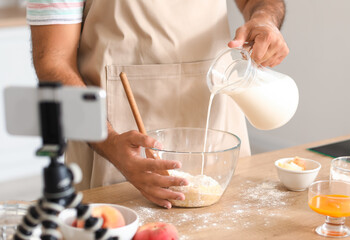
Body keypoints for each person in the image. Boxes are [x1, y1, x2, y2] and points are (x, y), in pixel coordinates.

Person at [27, 0, 288, 209]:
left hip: (216, 126)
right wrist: (109, 142)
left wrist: (264, 18)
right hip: (112, 141)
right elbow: (53, 62)